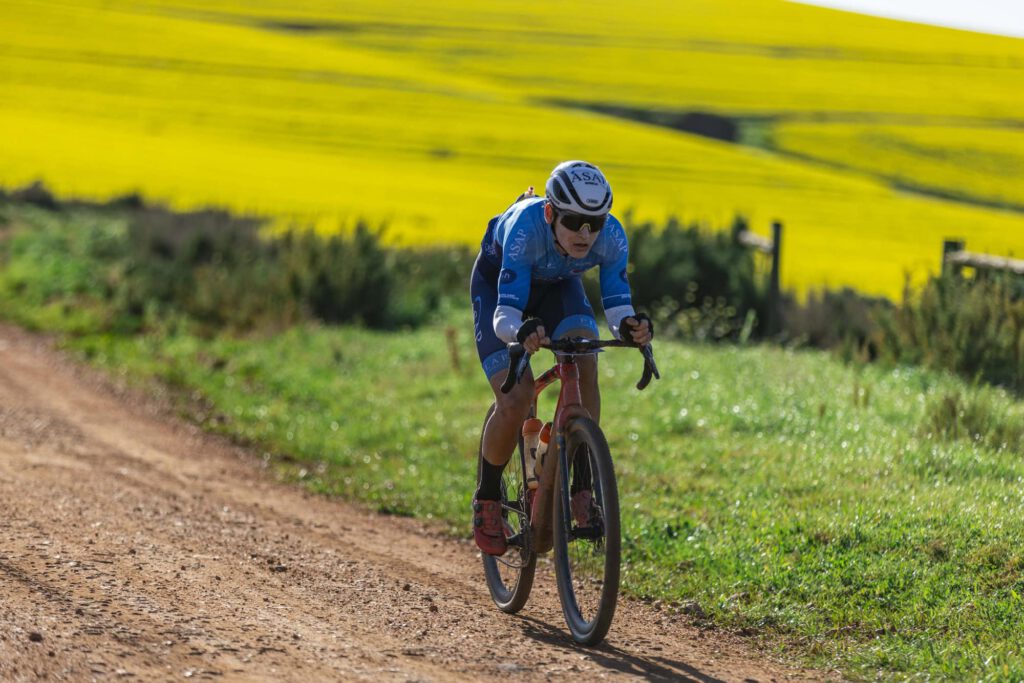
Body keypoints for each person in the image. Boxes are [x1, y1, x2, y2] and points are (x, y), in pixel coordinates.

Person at [470, 160, 653, 556]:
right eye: (573, 222)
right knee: (516, 398)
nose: (585, 234)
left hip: (558, 286)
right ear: (551, 213)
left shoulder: (612, 237)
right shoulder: (525, 230)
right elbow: (504, 316)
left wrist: (630, 326)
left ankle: (582, 487)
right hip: (500, 290)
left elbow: (618, 305)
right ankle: (487, 498)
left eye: (595, 223)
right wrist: (521, 331)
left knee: (585, 361)